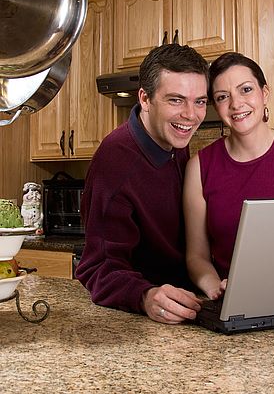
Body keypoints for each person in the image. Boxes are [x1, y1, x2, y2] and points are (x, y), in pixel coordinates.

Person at [76, 43, 209, 324]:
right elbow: (96, 268)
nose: (191, 115)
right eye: (176, 100)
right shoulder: (115, 162)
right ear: (145, 99)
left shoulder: (174, 139)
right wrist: (145, 295)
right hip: (148, 317)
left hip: (188, 303)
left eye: (199, 101)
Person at [183, 52, 274, 300]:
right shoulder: (199, 167)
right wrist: (214, 286)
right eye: (222, 97)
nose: (236, 104)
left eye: (246, 89)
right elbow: (196, 256)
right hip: (233, 302)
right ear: (216, 106)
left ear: (264, 93)